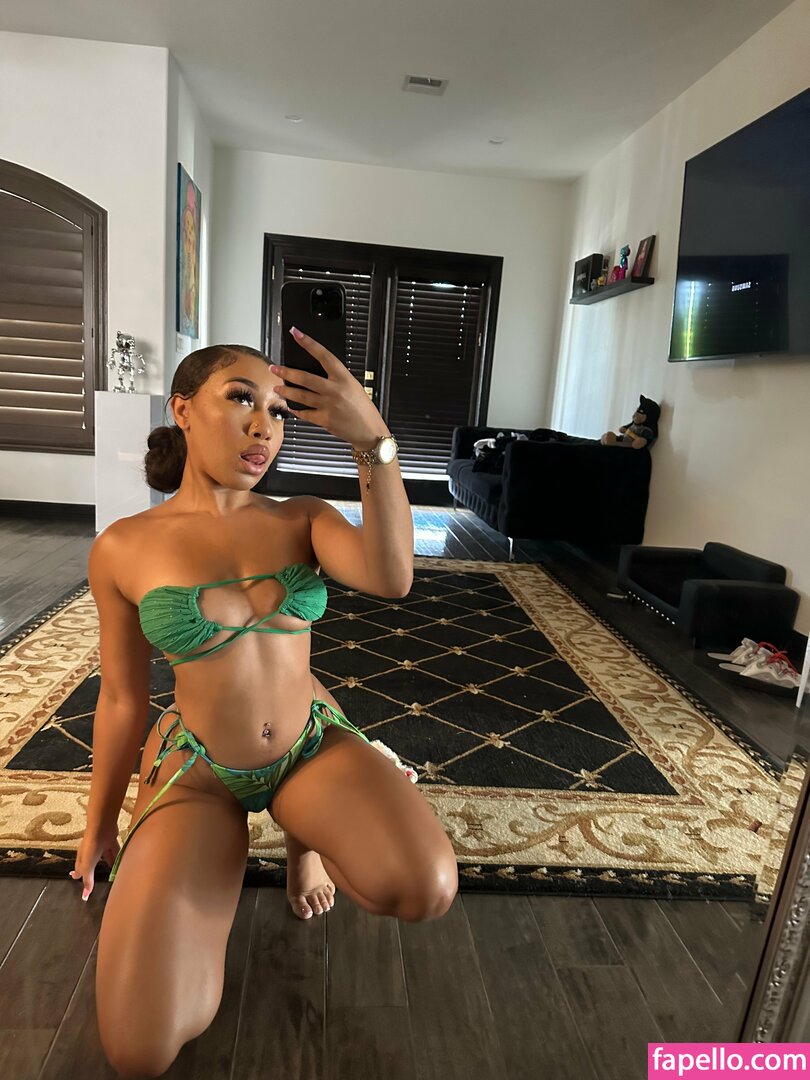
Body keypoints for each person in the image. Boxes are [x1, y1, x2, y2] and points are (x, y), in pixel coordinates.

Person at [69, 331, 458, 1078]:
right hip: (198, 766)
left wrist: (372, 440)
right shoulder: (122, 547)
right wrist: (98, 828)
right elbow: (120, 697)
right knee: (139, 1048)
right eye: (241, 399)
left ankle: (302, 840)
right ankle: (235, 854)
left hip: (307, 746)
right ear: (183, 409)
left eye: (278, 411)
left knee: (424, 889)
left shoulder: (301, 518)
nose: (263, 427)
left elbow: (393, 576)